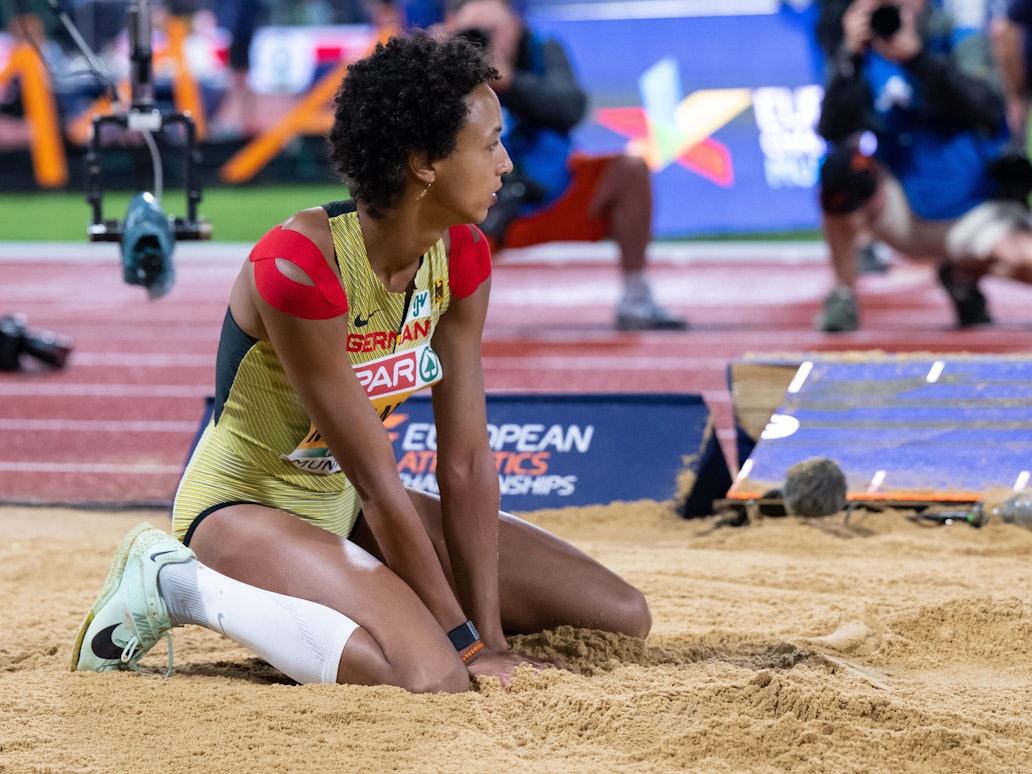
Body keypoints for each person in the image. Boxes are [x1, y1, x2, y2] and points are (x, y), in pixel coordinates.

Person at [70, 30, 651, 691]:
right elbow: (378, 481)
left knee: (621, 616)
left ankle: (351, 605)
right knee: (432, 677)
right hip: (244, 509)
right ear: (424, 162)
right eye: (490, 143)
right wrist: (462, 649)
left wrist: (487, 637)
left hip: (343, 506)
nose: (507, 164)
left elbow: (463, 462)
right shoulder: (299, 265)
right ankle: (177, 586)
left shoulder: (462, 256)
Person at [442, 0, 687, 331]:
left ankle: (636, 297)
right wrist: (442, 64)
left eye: (492, 31)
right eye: (472, 33)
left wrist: (511, 82)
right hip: (475, 206)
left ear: (515, 25)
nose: (482, 42)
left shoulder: (543, 49)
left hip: (549, 193)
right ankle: (411, 309)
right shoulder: (442, 62)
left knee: (631, 170)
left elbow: (570, 107)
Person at [814, 0, 1032, 332]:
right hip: (899, 207)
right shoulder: (864, 49)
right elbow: (832, 129)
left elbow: (986, 106)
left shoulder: (958, 36)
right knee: (839, 169)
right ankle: (843, 294)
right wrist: (850, 59)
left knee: (1023, 258)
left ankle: (962, 272)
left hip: (973, 211)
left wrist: (917, 60)